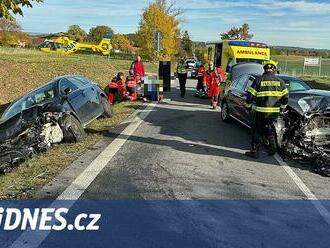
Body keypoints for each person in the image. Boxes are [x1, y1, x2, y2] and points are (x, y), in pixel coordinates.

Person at [245, 61, 289, 159]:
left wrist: (248, 106)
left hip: (261, 112)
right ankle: (273, 148)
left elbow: (249, 97)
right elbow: (285, 99)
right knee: (269, 129)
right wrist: (281, 110)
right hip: (274, 113)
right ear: (274, 70)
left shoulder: (259, 80)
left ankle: (254, 151)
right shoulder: (280, 82)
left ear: (264, 70)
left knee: (256, 131)